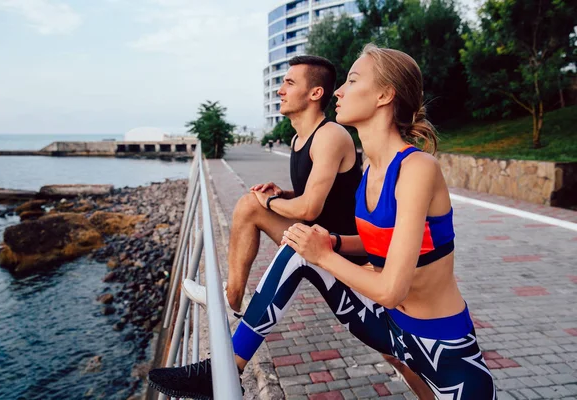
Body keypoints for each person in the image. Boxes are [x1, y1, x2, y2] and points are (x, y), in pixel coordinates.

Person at [149, 46, 496, 399]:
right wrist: (332, 242)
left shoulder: (417, 169)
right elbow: (377, 243)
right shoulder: (373, 171)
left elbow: (392, 289)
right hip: (389, 326)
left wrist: (325, 254)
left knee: (307, 246)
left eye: (352, 81)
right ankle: (225, 367)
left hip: (443, 346)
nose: (339, 92)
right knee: (300, 245)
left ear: (384, 95)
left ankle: (230, 329)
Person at [181, 55, 366, 325]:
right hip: (313, 235)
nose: (280, 91)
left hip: (342, 248)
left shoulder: (330, 135)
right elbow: (322, 194)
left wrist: (268, 202)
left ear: (315, 93)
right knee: (249, 205)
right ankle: (230, 299)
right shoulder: (297, 138)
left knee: (389, 347)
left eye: (289, 83)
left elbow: (309, 208)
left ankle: (230, 301)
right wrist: (285, 194)